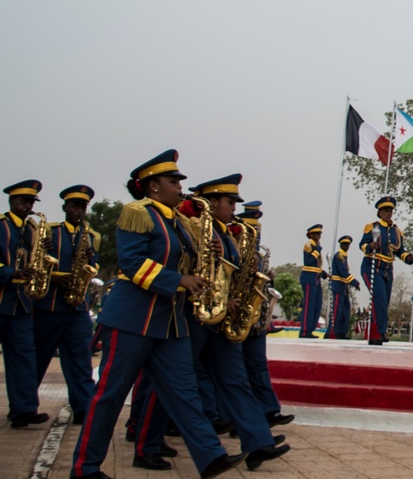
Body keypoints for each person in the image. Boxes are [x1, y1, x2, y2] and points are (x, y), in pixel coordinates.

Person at [70, 150, 247, 479]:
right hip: (133, 318)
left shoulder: (180, 222)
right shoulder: (137, 214)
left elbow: (194, 264)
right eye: (173, 181)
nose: (180, 187)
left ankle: (210, 457)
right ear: (153, 186)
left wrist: (216, 252)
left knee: (184, 393)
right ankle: (85, 468)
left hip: (170, 321)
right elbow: (132, 263)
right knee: (109, 394)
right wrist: (179, 280)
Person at [171, 174, 289, 470]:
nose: (234, 207)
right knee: (182, 379)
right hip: (197, 315)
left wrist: (234, 300)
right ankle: (150, 437)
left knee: (236, 380)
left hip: (220, 316)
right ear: (212, 203)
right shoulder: (195, 227)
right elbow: (190, 267)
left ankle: (259, 443)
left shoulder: (227, 233)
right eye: (230, 202)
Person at [34, 185, 100, 426]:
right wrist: (55, 277)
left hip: (77, 308)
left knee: (81, 359)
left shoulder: (92, 236)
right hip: (49, 306)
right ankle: (26, 406)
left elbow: (94, 267)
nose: (79, 211)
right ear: (65, 207)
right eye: (75, 206)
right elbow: (37, 266)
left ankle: (83, 408)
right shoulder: (50, 233)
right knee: (38, 359)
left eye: (83, 207)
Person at [233, 201, 294, 427]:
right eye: (252, 231)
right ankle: (239, 419)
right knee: (239, 371)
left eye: (258, 232)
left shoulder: (258, 256)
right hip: (239, 317)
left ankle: (270, 410)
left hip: (256, 319)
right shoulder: (234, 251)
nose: (256, 236)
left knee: (258, 366)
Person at [0, 179, 50, 429]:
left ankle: (23, 410)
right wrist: (9, 273)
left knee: (24, 357)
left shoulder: (32, 229)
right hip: (1, 298)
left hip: (21, 304)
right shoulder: (1, 225)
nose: (28, 206)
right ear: (11, 201)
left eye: (31, 202)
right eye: (23, 201)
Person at [360, 196, 413, 346]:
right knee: (379, 299)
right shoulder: (372, 227)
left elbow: (399, 251)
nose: (388, 213)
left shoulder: (397, 231)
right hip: (371, 266)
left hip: (387, 270)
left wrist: (408, 257)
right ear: (379, 213)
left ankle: (378, 332)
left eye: (390, 210)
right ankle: (376, 333)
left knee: (384, 302)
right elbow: (362, 245)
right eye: (385, 211)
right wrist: (370, 246)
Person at [325, 235, 361, 340]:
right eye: (344, 244)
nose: (346, 246)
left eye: (348, 244)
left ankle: (341, 331)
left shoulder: (344, 256)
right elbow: (343, 272)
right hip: (338, 285)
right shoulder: (339, 256)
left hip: (344, 286)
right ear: (341, 244)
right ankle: (330, 331)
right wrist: (354, 282)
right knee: (336, 310)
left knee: (345, 310)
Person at [299, 223, 326, 338]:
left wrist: (323, 273)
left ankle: (311, 329)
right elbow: (308, 261)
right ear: (311, 235)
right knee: (309, 305)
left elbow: (317, 265)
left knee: (317, 304)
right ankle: (305, 330)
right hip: (308, 277)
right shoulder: (309, 245)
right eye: (316, 234)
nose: (319, 236)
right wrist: (317, 250)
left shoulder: (316, 246)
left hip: (316, 277)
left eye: (319, 234)